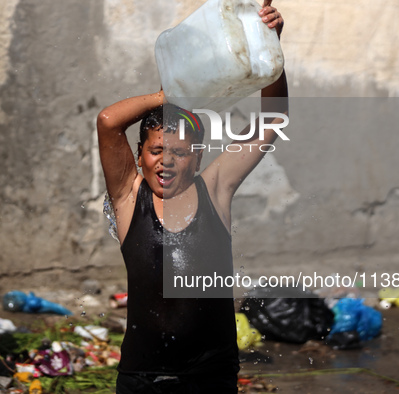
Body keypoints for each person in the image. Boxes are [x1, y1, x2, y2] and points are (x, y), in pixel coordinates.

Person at [97, 2, 286, 392]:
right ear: (139, 157)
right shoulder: (129, 198)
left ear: (197, 158)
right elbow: (108, 122)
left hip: (210, 376)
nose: (165, 163)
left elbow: (274, 120)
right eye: (155, 152)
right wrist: (166, 95)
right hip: (143, 377)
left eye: (179, 153)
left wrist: (268, 49)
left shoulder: (215, 189)